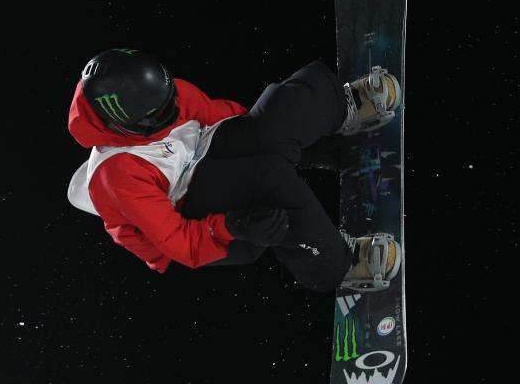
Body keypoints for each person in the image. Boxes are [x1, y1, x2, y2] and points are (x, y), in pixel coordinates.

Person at [66, 48, 403, 293]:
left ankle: (345, 106)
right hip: (191, 217)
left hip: (203, 154)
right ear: (124, 126)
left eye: (171, 102)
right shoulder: (118, 176)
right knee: (269, 181)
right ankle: (339, 265)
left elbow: (230, 121)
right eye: (159, 116)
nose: (171, 113)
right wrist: (234, 226)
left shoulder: (163, 96)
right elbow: (178, 242)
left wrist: (295, 142)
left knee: (278, 120)